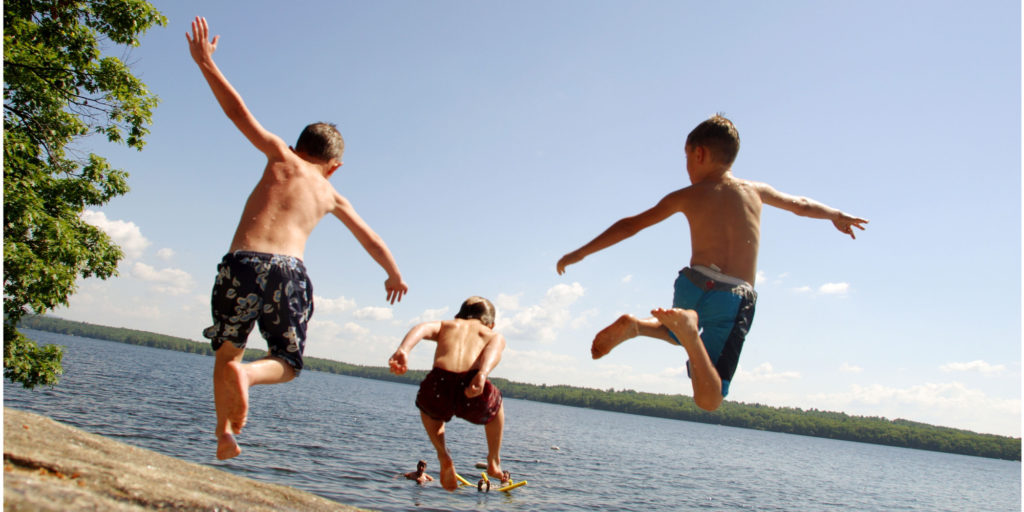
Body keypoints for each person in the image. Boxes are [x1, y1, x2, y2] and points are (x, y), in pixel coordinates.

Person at [187, 17, 408, 460]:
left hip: (242, 262)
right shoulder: (331, 192)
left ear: (297, 144)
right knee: (286, 364)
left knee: (227, 353)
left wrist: (205, 63)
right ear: (335, 165)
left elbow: (237, 111)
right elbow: (371, 239)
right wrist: (393, 274)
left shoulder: (278, 154)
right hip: (289, 271)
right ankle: (250, 378)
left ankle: (224, 434)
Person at [557, 114, 867, 412]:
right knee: (710, 398)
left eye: (687, 157)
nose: (686, 166)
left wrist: (580, 253)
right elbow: (800, 205)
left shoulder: (686, 195)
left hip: (692, 282)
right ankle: (688, 333)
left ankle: (639, 326)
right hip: (733, 295)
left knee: (678, 327)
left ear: (700, 153)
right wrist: (835, 215)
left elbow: (630, 225)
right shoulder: (755, 191)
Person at [388, 297, 508, 492]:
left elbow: (422, 328)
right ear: (491, 324)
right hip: (472, 384)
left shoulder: (448, 325)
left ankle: (443, 454)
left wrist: (404, 349)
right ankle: (493, 460)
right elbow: (494, 350)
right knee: (496, 405)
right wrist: (482, 373)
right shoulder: (492, 334)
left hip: (440, 382)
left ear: (457, 315)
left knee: (428, 410)